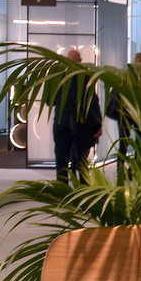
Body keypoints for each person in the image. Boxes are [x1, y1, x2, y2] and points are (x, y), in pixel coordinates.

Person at [51, 48, 102, 184]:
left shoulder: (57, 77)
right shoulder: (85, 77)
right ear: (80, 61)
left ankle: (62, 189)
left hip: (60, 122)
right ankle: (82, 190)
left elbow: (49, 101)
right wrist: (98, 124)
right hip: (80, 124)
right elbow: (92, 102)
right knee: (81, 161)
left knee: (61, 160)